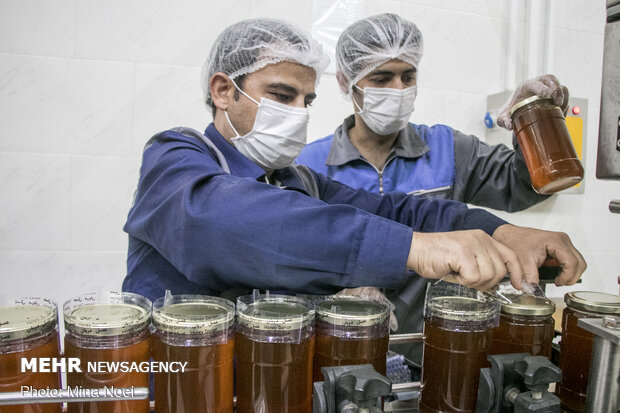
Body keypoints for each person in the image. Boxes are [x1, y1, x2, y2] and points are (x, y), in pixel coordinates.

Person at [122, 19, 585, 361]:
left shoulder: (296, 179)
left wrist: (500, 231)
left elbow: (398, 212)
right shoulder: (178, 156)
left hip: (273, 380)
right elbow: (222, 222)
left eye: (308, 100)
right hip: (181, 380)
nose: (300, 112)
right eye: (283, 96)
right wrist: (413, 250)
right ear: (224, 90)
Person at [296, 13, 569, 212]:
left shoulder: (448, 149)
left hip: (434, 294)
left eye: (408, 77)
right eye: (381, 79)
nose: (398, 89)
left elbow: (524, 186)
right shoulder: (311, 164)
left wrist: (534, 123)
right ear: (347, 83)